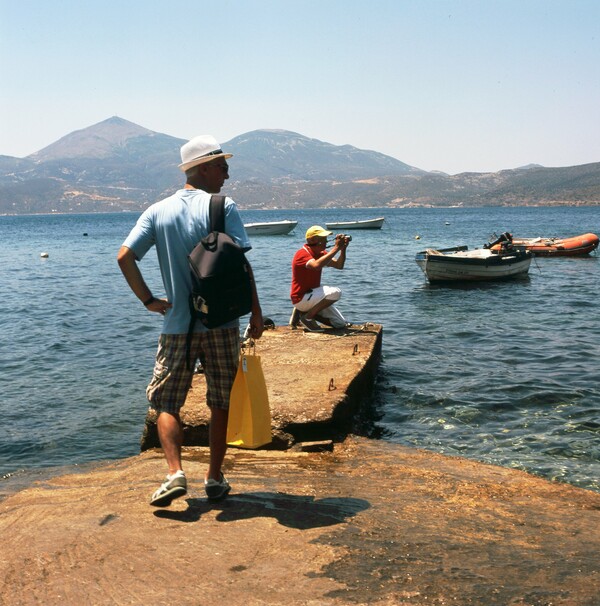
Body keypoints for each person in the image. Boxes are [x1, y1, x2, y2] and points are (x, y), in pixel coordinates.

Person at [117, 135, 263, 507]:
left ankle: (174, 473)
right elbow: (241, 265)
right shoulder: (222, 206)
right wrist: (256, 312)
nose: (227, 172)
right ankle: (214, 478)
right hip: (221, 324)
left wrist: (149, 300)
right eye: (221, 165)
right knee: (220, 401)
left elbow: (124, 257)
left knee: (167, 402)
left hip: (176, 324)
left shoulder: (156, 211)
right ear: (201, 168)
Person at [290, 225, 350, 332]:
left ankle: (304, 313)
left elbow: (339, 265)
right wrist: (336, 248)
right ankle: (307, 318)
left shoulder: (320, 253)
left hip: (311, 297)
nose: (326, 241)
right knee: (335, 292)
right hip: (301, 298)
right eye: (323, 239)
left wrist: (342, 249)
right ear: (312, 240)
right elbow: (316, 266)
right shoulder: (302, 254)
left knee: (339, 323)